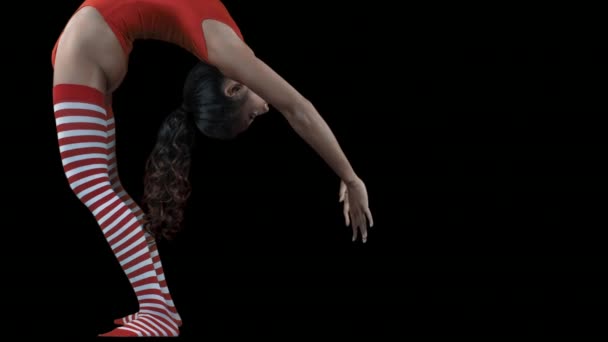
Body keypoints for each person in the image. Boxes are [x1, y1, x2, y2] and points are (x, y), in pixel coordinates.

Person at [51, 0, 374, 337]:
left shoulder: (227, 50)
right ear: (233, 86)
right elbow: (298, 109)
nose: (264, 109)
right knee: (101, 183)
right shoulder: (229, 50)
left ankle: (157, 310)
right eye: (252, 115)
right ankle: (161, 309)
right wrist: (350, 178)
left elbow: (296, 109)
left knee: (91, 181)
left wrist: (348, 176)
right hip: (93, 34)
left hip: (91, 36)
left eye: (252, 115)